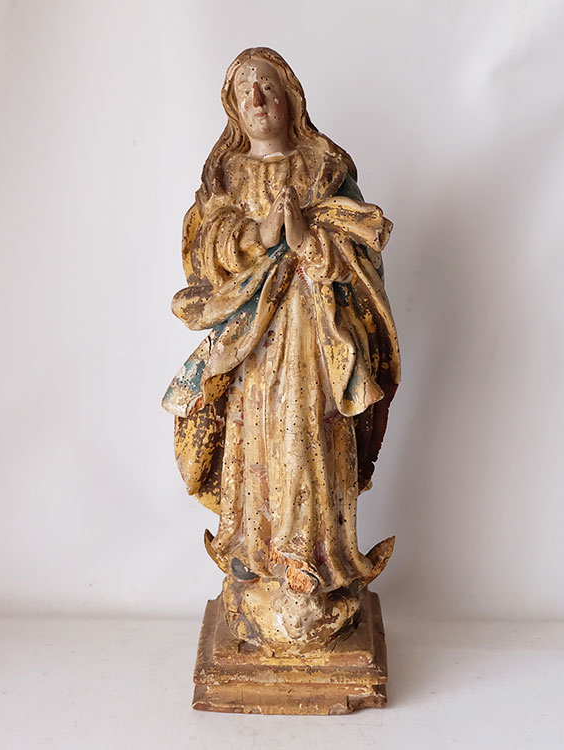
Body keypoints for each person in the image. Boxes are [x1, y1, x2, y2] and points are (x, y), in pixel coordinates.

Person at [163, 47, 400, 644]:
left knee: (313, 433)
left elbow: (363, 254)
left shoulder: (324, 168)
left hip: (317, 337)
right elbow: (204, 250)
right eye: (244, 90)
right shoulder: (226, 177)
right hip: (253, 344)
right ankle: (257, 558)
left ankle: (320, 565)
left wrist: (305, 237)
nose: (257, 98)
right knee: (259, 436)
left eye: (267, 85)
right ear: (233, 110)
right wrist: (257, 233)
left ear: (291, 96)